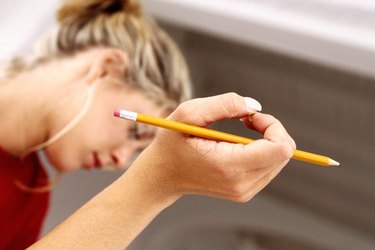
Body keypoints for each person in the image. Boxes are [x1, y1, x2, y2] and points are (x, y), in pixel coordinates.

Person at [0, 0, 296, 249]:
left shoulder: (32, 196)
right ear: (108, 67)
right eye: (135, 131)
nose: (120, 161)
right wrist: (156, 183)